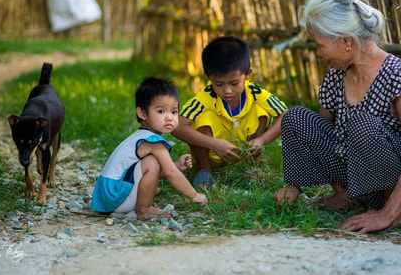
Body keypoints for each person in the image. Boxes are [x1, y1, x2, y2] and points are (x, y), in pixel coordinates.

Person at [273, 0, 401, 233]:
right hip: (360, 179)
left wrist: (387, 213)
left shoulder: (399, 74)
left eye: (319, 45)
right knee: (296, 117)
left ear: (345, 41)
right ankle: (346, 197)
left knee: (361, 123)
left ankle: (399, 213)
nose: (318, 53)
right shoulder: (336, 76)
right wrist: (294, 184)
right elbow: (323, 136)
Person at [172, 36, 288, 187]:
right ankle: (203, 168)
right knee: (203, 117)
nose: (227, 91)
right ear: (208, 77)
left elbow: (285, 114)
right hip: (213, 152)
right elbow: (177, 126)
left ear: (248, 74)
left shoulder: (255, 92)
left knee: (261, 111)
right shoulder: (206, 96)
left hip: (242, 151)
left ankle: (250, 161)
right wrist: (215, 144)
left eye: (234, 83)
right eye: (219, 84)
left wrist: (262, 140)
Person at [91, 77, 207, 219]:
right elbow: (171, 173)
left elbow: (144, 172)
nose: (169, 117)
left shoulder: (142, 136)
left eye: (174, 112)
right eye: (160, 111)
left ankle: (140, 200)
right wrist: (194, 195)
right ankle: (144, 209)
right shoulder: (153, 142)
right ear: (142, 113)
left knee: (151, 163)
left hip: (107, 195)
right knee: (151, 162)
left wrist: (175, 165)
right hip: (114, 195)